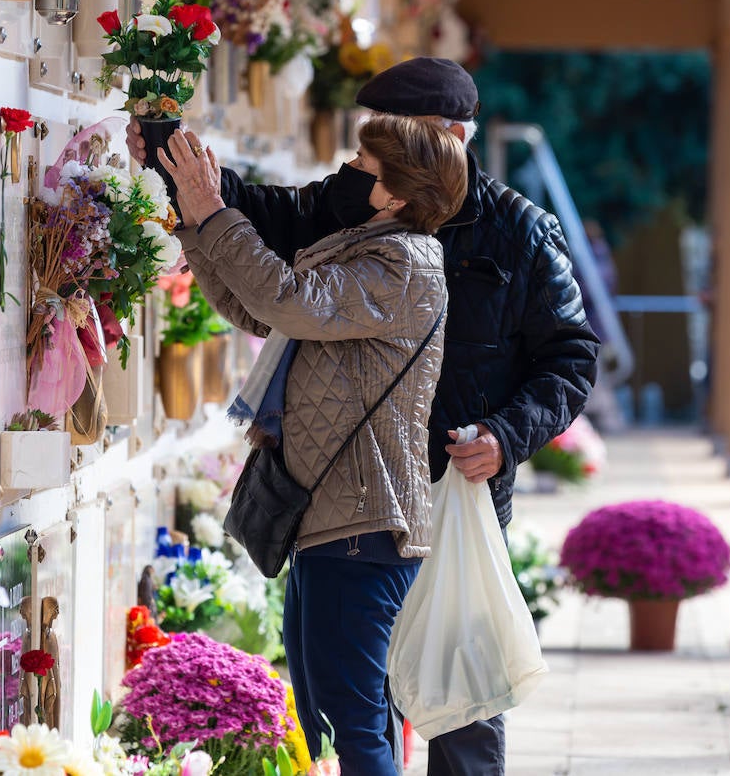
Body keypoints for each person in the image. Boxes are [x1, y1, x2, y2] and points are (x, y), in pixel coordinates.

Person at [132, 57, 600, 775]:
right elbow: (278, 220)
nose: (367, 155)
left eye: (388, 138)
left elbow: (570, 357)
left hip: (457, 485)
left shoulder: (523, 232)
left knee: (461, 695)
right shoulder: (361, 199)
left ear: (446, 138)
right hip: (364, 484)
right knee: (359, 696)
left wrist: (506, 437)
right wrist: (181, 174)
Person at [161, 115, 469, 776]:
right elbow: (260, 311)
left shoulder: (402, 267)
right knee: (329, 717)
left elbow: (288, 299)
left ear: (396, 196)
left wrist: (215, 211)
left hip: (361, 527)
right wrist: (193, 223)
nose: (348, 173)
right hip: (334, 520)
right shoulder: (366, 248)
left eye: (363, 164)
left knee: (354, 726)